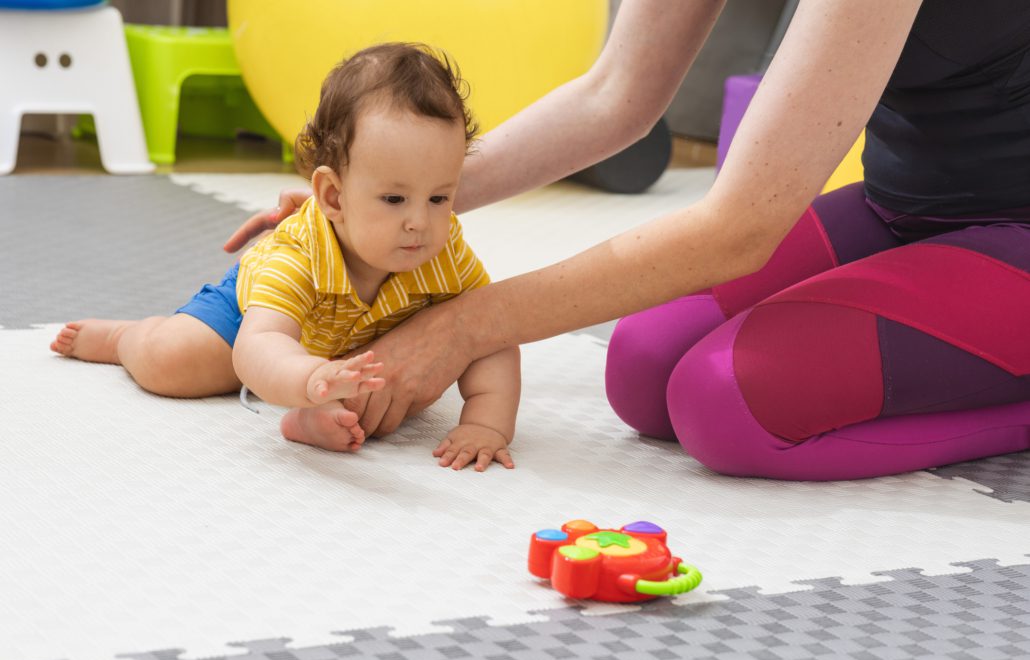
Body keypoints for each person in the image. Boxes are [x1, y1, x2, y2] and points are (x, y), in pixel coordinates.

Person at [225, 0, 1030, 480]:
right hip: (907, 207)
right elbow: (615, 95)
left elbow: (741, 225)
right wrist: (386, 203)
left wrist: (462, 324)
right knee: (643, 367)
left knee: (729, 407)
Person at [52, 43, 521, 472]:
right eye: (395, 200)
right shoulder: (298, 255)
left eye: (440, 198)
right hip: (257, 317)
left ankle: (307, 418)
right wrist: (311, 377)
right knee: (171, 363)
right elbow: (259, 348)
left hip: (350, 345)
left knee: (381, 393)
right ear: (333, 197)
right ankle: (124, 338)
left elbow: (491, 335)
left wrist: (486, 422)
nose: (421, 222)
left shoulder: (444, 252)